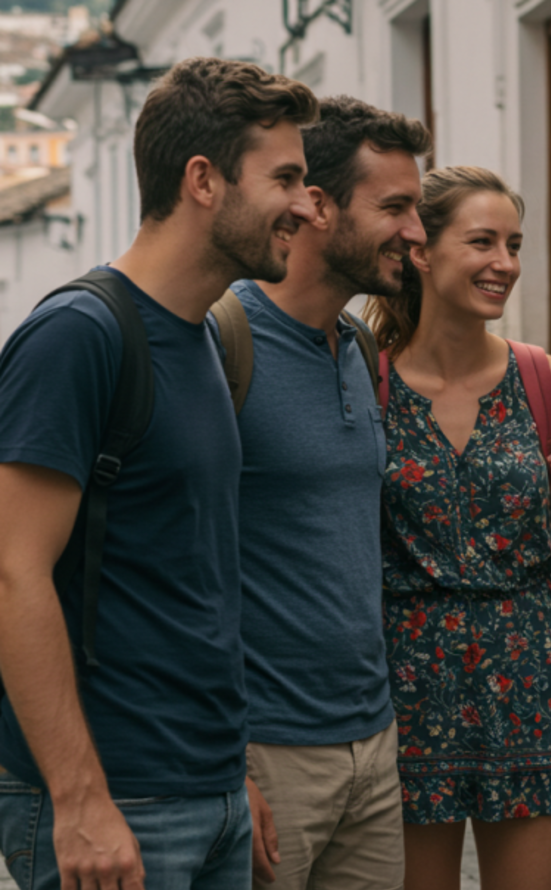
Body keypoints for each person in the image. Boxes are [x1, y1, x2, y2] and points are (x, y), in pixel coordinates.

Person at [0, 58, 317, 890]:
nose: (304, 204)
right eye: (284, 177)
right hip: (113, 803)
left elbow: (197, 576)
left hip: (208, 791)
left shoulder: (209, 338)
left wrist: (231, 775)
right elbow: (10, 573)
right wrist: (77, 798)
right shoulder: (79, 334)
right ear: (204, 180)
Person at [364, 166, 551, 890]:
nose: (504, 264)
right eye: (482, 242)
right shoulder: (366, 380)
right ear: (421, 251)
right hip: (408, 683)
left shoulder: (545, 379)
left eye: (514, 244)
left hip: (533, 677)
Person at [212, 96, 430, 889]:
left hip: (372, 746)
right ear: (316, 204)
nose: (416, 231)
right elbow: (176, 558)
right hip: (267, 754)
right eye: (396, 207)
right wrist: (225, 759)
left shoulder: (359, 345)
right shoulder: (221, 340)